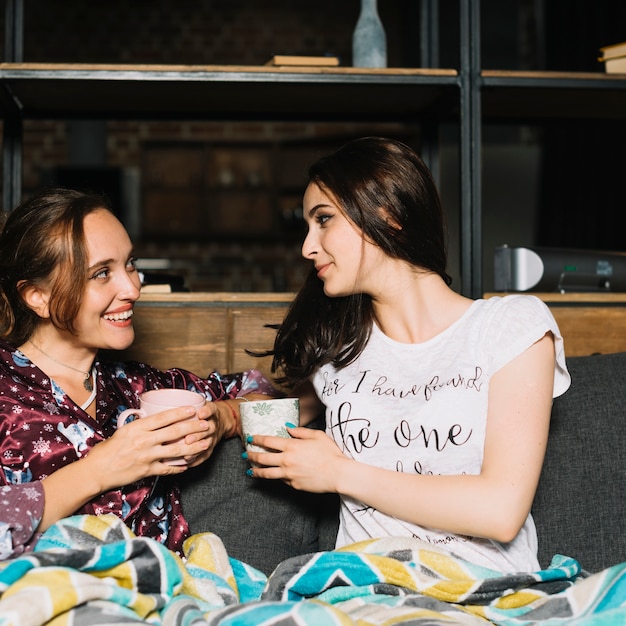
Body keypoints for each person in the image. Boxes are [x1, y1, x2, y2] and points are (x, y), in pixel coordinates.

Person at [244, 136, 571, 574]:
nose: (307, 247)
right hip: (360, 587)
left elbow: (500, 511)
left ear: (389, 216)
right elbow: (282, 408)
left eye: (323, 220)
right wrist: (221, 417)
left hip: (482, 587)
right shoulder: (339, 351)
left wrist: (340, 473)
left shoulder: (510, 327)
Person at [0, 187, 275, 560]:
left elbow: (263, 392)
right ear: (38, 297)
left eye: (130, 264)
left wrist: (223, 420)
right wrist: (102, 468)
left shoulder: (137, 386)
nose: (132, 288)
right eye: (101, 273)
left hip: (166, 595)